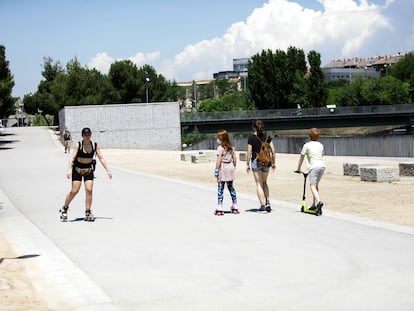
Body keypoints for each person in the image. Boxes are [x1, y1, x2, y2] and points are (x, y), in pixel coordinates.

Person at [60, 127, 112, 222]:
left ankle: (87, 211)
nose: (87, 136)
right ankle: (65, 207)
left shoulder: (94, 145)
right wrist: (69, 170)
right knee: (75, 191)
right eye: (85, 135)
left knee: (89, 189)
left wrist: (107, 170)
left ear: (90, 135)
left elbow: (101, 158)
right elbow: (72, 159)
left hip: (88, 170)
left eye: (89, 135)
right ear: (82, 136)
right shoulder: (78, 145)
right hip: (77, 170)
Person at [246, 120, 276, 212]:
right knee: (265, 183)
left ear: (254, 127)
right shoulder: (267, 136)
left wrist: (247, 164)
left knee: (258, 183)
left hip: (256, 161)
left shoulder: (251, 138)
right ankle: (267, 202)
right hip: (266, 162)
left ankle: (262, 205)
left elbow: (249, 152)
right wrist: (273, 162)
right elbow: (273, 151)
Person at [295, 127, 326, 211]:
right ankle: (314, 205)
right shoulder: (320, 145)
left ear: (309, 136)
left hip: (314, 167)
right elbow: (321, 155)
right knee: (316, 185)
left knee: (312, 185)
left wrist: (298, 169)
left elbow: (301, 157)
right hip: (322, 166)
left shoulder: (307, 145)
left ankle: (319, 201)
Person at [214, 129, 239, 216]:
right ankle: (235, 204)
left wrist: (216, 170)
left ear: (221, 139)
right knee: (231, 187)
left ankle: (220, 206)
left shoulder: (220, 148)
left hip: (223, 168)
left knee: (220, 188)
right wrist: (234, 167)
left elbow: (218, 160)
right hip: (230, 167)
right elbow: (235, 159)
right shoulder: (231, 147)